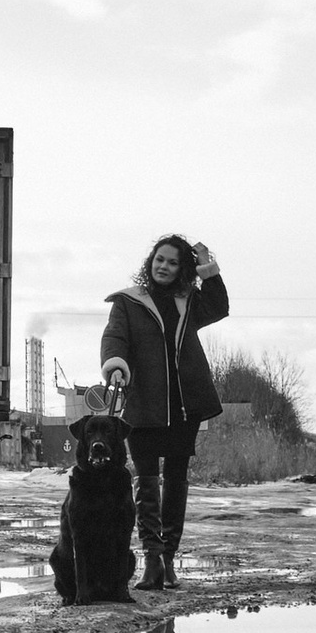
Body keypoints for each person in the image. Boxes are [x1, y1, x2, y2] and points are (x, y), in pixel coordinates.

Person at [99, 231, 229, 591]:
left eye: (172, 262)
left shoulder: (190, 301)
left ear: (181, 268)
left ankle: (168, 559)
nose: (164, 267)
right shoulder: (129, 301)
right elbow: (114, 337)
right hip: (143, 403)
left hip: (185, 403)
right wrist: (115, 365)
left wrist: (207, 267)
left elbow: (220, 306)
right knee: (145, 483)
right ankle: (152, 560)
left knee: (175, 480)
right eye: (159, 259)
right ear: (150, 261)